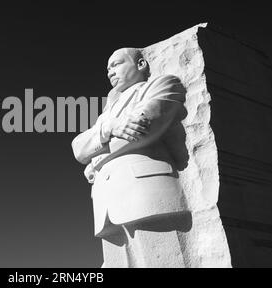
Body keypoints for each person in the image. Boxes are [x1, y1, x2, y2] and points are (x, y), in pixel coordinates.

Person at [71, 48, 191, 267]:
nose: (109, 72)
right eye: (107, 69)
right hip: (106, 203)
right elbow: (78, 147)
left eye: (115, 64)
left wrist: (95, 159)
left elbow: (145, 128)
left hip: (145, 192)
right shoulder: (106, 114)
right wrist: (110, 127)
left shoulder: (162, 85)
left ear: (141, 64)